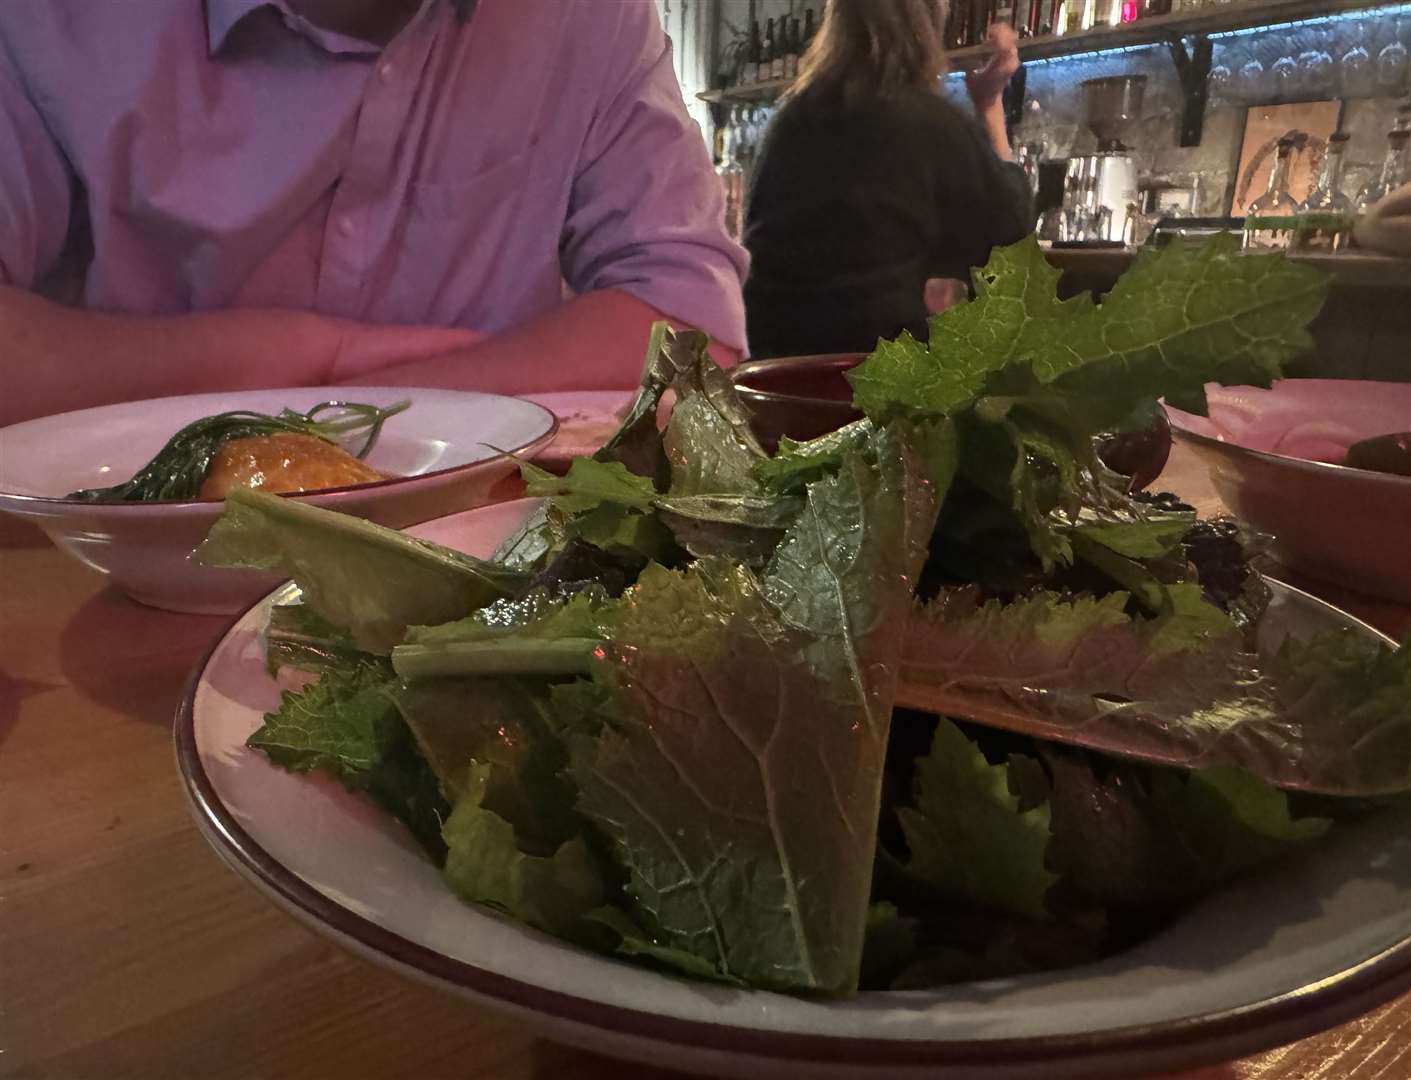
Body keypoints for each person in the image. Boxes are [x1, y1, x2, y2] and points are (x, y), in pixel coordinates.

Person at [0, 0, 748, 427]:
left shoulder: (589, 16)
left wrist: (344, 398)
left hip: (475, 563)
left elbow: (689, 331)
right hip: (96, 576)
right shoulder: (48, 21)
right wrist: (318, 355)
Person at [741, 1, 1033, 360]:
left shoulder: (789, 123)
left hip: (770, 383)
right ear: (929, 20)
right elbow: (1015, 243)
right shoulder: (929, 122)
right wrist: (990, 107)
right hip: (874, 387)